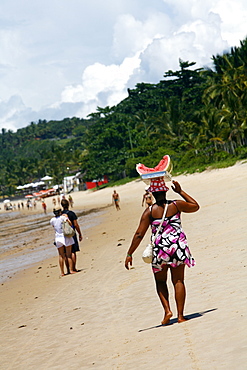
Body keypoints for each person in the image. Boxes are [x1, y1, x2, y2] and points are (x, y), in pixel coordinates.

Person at [125, 178, 199, 325]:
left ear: (152, 193)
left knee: (160, 281)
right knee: (178, 281)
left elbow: (139, 234)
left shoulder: (150, 211)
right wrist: (180, 191)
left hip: (160, 250)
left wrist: (129, 253)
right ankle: (180, 316)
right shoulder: (176, 205)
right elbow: (195, 206)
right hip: (178, 247)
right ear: (165, 191)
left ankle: (167, 311)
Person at [50, 207, 77, 276]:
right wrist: (67, 217)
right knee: (68, 254)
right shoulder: (63, 218)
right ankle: (71, 270)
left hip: (58, 237)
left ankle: (62, 272)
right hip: (65, 236)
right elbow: (70, 224)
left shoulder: (52, 220)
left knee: (61, 255)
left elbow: (54, 226)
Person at [61, 199, 82, 272]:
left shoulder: (60, 214)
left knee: (66, 252)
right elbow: (76, 224)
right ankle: (73, 268)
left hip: (63, 234)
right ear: (68, 204)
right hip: (71, 233)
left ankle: (68, 269)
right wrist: (79, 233)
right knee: (73, 251)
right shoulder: (71, 213)